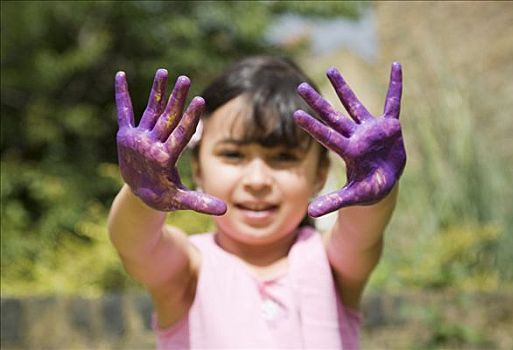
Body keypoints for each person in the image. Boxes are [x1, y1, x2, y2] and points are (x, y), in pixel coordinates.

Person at [108, 56, 406, 349]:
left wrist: (376, 185)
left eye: (283, 157)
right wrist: (141, 192)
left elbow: (363, 231)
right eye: (233, 155)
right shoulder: (189, 268)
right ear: (198, 168)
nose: (257, 180)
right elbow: (136, 244)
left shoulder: (330, 263)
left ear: (320, 174)